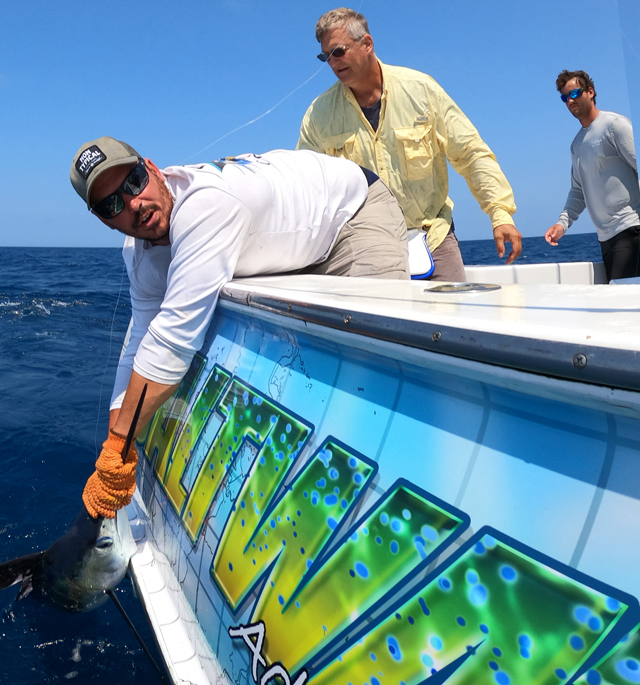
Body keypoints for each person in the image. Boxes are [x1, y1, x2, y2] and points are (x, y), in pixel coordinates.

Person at [69, 136, 409, 518]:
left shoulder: (205, 207)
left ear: (151, 167)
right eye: (113, 204)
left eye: (133, 182)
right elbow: (141, 340)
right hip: (289, 246)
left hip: (350, 214)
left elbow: (169, 347)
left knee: (378, 364)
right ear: (103, 220)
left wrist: (120, 445)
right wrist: (112, 449)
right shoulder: (138, 252)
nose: (133, 204)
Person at [296, 8, 522, 282]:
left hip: (433, 237)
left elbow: (470, 153)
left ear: (367, 44)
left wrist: (500, 212)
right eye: (325, 56)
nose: (332, 63)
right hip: (365, 248)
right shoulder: (318, 114)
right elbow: (306, 187)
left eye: (339, 52)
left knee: (447, 322)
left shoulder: (422, 89)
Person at [545, 70, 639, 282]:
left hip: (631, 230)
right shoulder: (577, 144)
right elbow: (578, 191)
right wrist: (562, 224)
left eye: (575, 93)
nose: (570, 100)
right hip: (605, 239)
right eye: (565, 97)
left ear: (590, 92)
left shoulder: (615, 125)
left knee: (624, 303)